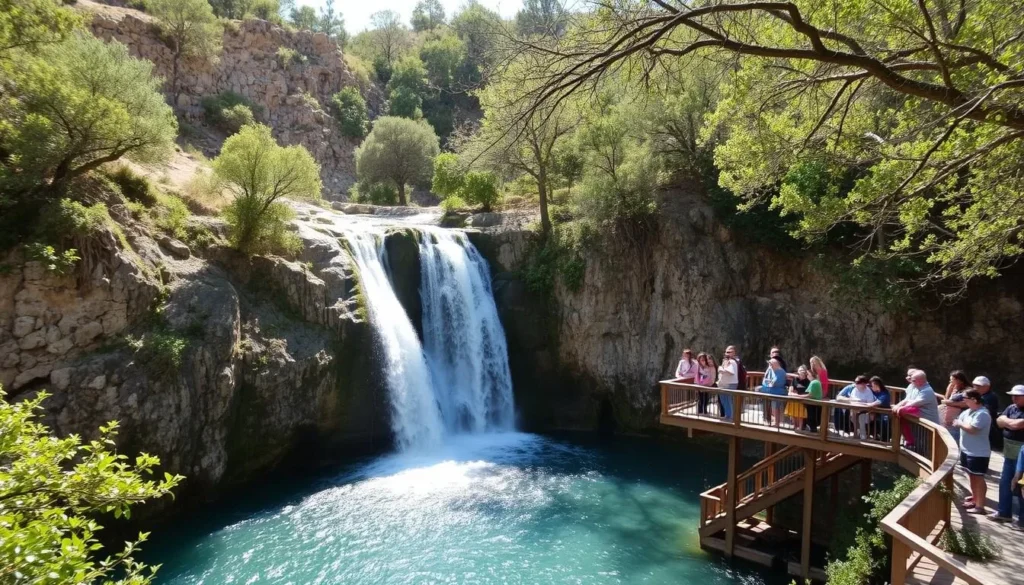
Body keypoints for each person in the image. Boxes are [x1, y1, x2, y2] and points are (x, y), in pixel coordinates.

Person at [954, 390, 993, 514]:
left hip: (978, 453)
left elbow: (972, 429)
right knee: (971, 476)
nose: (963, 400)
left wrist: (960, 423)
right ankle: (975, 499)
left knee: (978, 477)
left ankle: (980, 507)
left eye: (965, 398)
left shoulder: (982, 414)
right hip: (966, 450)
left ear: (974, 399)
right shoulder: (967, 412)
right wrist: (959, 423)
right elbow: (955, 422)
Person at [990, 385, 1024, 526]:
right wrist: (1011, 423)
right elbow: (999, 422)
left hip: (1022, 455)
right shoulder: (1011, 407)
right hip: (1009, 452)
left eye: (1017, 396)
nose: (1014, 398)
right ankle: (1004, 512)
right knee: (1005, 482)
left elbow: (1018, 425)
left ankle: (1021, 519)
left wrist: (1007, 422)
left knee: (1020, 485)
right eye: (1012, 395)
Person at [892, 370, 941, 448]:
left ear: (920, 381)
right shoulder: (916, 387)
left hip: (929, 422)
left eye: (913, 380)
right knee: (899, 412)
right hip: (919, 420)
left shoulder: (927, 391)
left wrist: (900, 408)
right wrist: (897, 406)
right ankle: (909, 441)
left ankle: (912, 443)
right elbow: (907, 400)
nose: (911, 381)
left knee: (926, 446)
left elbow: (913, 403)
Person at [940, 371, 970, 443]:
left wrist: (949, 403)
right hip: (949, 417)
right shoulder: (954, 388)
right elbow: (946, 399)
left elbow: (965, 404)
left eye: (952, 380)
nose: (950, 382)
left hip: (959, 416)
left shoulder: (968, 390)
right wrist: (949, 389)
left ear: (959, 380)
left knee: (954, 438)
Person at [760, 358, 788, 427]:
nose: (770, 365)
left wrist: (768, 382)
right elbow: (765, 380)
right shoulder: (771, 370)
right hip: (770, 392)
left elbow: (775, 383)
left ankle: (777, 422)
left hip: (778, 392)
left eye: (771, 364)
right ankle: (770, 420)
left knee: (775, 407)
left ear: (775, 364)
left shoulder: (781, 372)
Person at [786, 365, 809, 431]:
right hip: (793, 400)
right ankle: (795, 426)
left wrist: (795, 394)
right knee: (793, 415)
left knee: (800, 416)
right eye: (800, 370)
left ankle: (800, 428)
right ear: (798, 371)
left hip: (802, 401)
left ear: (805, 371)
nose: (801, 371)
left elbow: (807, 393)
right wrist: (794, 393)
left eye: (802, 370)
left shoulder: (808, 381)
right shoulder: (795, 380)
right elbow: (790, 392)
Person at [717, 346, 739, 420]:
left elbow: (731, 372)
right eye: (726, 352)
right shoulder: (726, 361)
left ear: (734, 353)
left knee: (729, 400)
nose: (727, 353)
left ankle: (731, 417)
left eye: (730, 352)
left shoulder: (732, 361)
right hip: (724, 384)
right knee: (724, 400)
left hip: (731, 384)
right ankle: (727, 415)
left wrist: (722, 370)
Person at [804, 366, 824, 433]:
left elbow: (810, 395)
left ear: (812, 374)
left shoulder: (814, 382)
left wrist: (799, 396)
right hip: (815, 404)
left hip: (813, 404)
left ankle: (813, 430)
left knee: (812, 418)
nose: (807, 376)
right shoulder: (816, 382)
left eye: (808, 374)